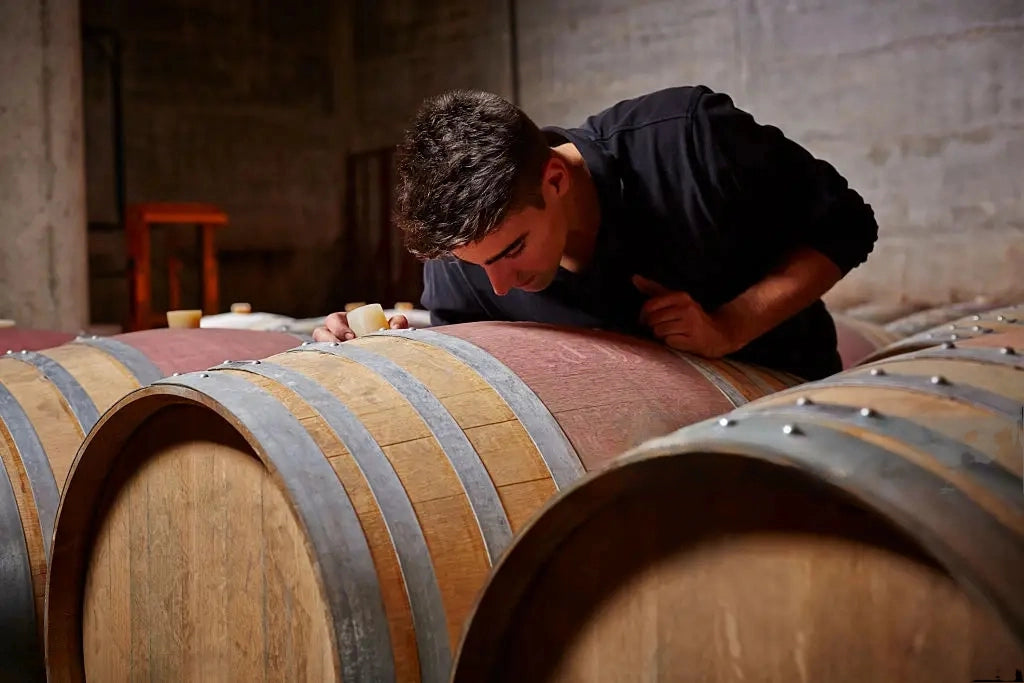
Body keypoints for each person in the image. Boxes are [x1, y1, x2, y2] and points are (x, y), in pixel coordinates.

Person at [313, 85, 878, 380]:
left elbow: (847, 224)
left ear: (555, 177)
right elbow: (472, 353)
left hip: (791, 410)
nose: (499, 285)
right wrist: (381, 345)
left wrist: (732, 324)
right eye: (476, 264)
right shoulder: (465, 247)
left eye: (512, 250)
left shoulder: (688, 140)